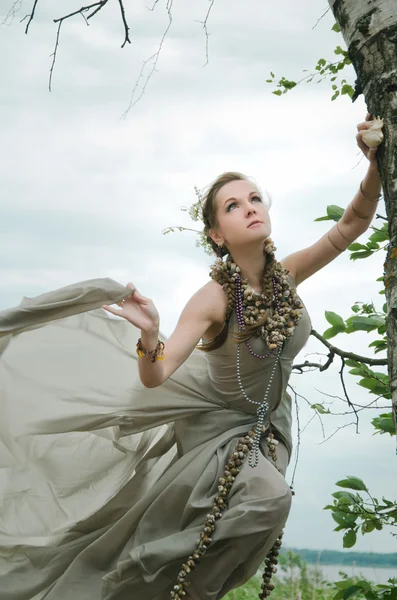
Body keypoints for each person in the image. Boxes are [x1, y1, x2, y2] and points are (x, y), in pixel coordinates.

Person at [0, 115, 382, 600]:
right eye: (232, 205)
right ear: (217, 234)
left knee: (249, 523)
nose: (249, 208)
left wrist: (373, 162)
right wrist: (151, 333)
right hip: (219, 430)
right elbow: (156, 374)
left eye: (255, 198)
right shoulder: (213, 300)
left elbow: (352, 224)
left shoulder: (286, 275)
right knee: (267, 501)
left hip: (270, 424)